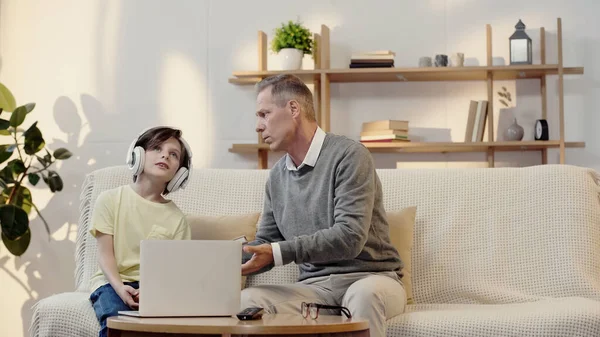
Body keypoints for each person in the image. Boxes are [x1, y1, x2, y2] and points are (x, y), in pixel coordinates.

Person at [240, 74, 407, 337]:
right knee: (248, 300)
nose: (259, 126)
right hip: (314, 288)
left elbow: (350, 237)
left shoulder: (349, 155)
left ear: (293, 109)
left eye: (265, 114)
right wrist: (223, 257)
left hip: (371, 279)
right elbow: (267, 241)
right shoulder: (277, 177)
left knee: (364, 296)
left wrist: (277, 252)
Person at [88, 126, 193, 337]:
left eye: (174, 155)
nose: (165, 155)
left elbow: (175, 270)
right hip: (111, 282)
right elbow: (105, 254)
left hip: (155, 287)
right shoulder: (109, 200)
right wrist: (119, 287)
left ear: (179, 173)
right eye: (157, 148)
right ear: (137, 155)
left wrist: (154, 292)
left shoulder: (177, 219)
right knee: (115, 321)